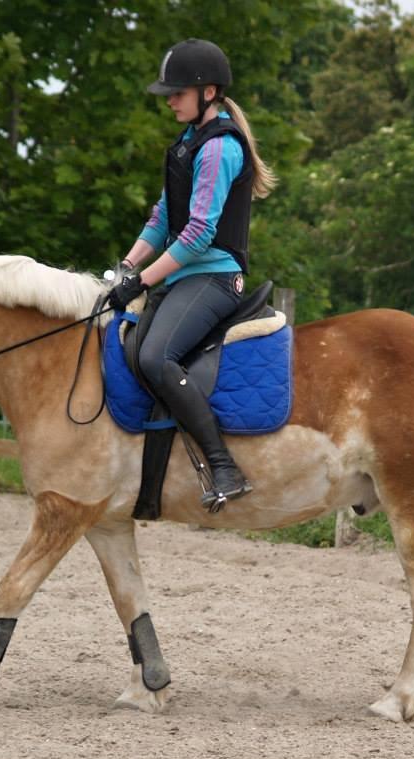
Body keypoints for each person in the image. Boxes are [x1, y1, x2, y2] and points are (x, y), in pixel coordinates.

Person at [106, 38, 277, 511]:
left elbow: (200, 234)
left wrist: (141, 282)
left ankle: (225, 466)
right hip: (184, 278)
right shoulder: (187, 144)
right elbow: (163, 219)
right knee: (129, 344)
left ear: (208, 92)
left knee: (158, 356)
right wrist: (125, 268)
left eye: (177, 92)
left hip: (216, 278)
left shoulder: (220, 148)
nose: (170, 100)